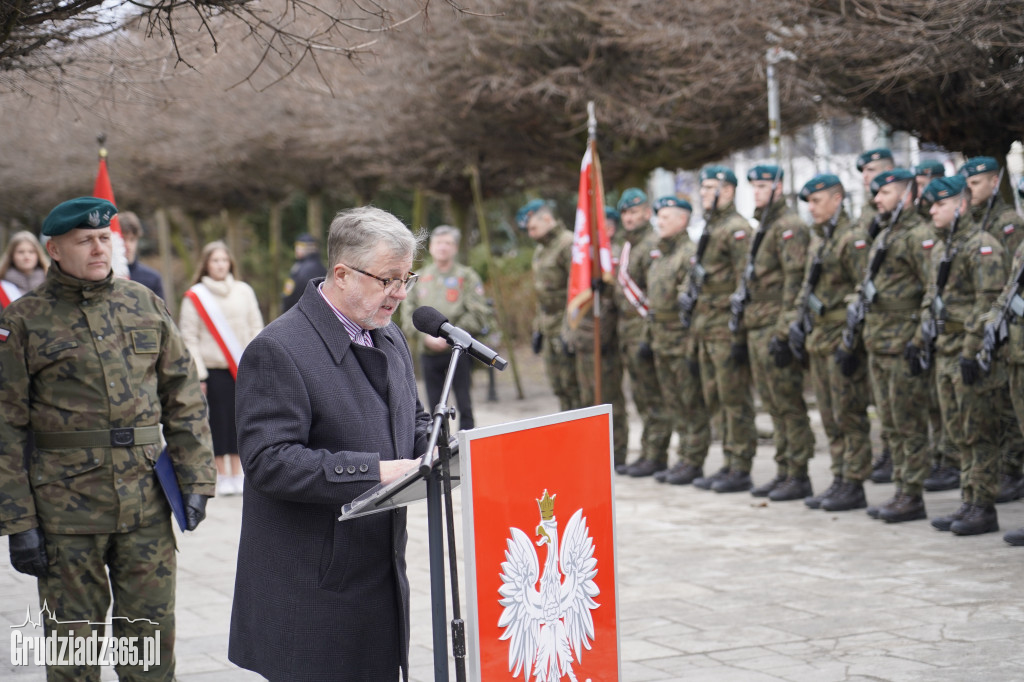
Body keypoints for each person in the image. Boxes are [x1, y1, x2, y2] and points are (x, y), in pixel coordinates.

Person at [0, 197, 215, 681]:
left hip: (146, 504)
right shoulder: (23, 321)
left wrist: (196, 478)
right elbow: (5, 427)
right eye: (85, 241)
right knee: (73, 650)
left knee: (151, 645)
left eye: (105, 239)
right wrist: (17, 521)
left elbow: (182, 394)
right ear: (54, 249)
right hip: (65, 511)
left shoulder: (144, 303)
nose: (100, 249)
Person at [229, 206, 431, 682]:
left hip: (377, 575)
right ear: (341, 274)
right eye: (388, 279)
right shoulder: (277, 349)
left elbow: (413, 418)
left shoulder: (389, 334)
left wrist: (443, 449)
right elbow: (269, 462)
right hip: (312, 588)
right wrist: (376, 471)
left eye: (407, 278)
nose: (400, 294)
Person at [910, 176, 1007, 536]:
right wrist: (919, 342)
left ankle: (983, 504)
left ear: (961, 205)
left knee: (978, 430)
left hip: (968, 353)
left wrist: (971, 351)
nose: (932, 210)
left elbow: (989, 302)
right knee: (957, 432)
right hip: (944, 351)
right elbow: (930, 299)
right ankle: (968, 500)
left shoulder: (981, 245)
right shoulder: (941, 249)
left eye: (940, 203)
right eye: (930, 205)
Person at [841, 168, 933, 523]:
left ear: (906, 196)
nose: (876, 199)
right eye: (876, 193)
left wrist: (919, 339)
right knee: (891, 423)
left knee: (908, 421)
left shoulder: (917, 235)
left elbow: (934, 290)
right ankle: (901, 489)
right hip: (878, 341)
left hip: (902, 341)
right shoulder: (884, 234)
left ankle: (913, 493)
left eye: (885, 193)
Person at [791, 174, 873, 512]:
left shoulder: (852, 238)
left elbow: (864, 288)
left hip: (842, 337)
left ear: (837, 199)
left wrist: (852, 343)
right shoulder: (819, 240)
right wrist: (798, 324)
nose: (811, 208)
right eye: (809, 202)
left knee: (848, 413)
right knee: (828, 414)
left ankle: (854, 482)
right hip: (820, 338)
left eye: (817, 201)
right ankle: (839, 477)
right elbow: (807, 289)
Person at [740, 166, 815, 502]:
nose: (757, 192)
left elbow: (795, 281)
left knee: (788, 402)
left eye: (763, 186)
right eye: (754, 186)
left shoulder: (789, 227)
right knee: (772, 402)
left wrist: (785, 331)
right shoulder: (765, 226)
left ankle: (798, 473)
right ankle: (785, 469)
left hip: (775, 327)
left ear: (779, 187)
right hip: (759, 326)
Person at [685, 165, 757, 493]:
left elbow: (745, 282)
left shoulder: (736, 229)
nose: (703, 194)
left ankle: (740, 465)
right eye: (701, 188)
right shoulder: (711, 227)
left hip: (725, 328)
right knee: (715, 399)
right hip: (706, 328)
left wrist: (739, 334)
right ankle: (728, 462)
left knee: (734, 399)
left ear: (727, 191)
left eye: (710, 187)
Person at [959, 156, 1024, 504]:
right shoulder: (978, 220)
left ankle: (1013, 468)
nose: (970, 191)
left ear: (995, 182)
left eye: (976, 183)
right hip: (1004, 332)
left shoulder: (1009, 222)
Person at [179, 241, 264, 496]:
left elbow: (255, 328)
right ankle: (222, 473)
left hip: (242, 368)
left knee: (242, 421)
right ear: (206, 264)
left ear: (231, 263)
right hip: (212, 372)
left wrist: (255, 362)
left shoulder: (244, 291)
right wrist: (199, 374)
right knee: (217, 423)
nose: (220, 265)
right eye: (215, 260)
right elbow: (189, 337)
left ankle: (238, 472)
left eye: (224, 260)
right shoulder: (196, 296)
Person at [641, 196, 711, 484]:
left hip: (681, 338)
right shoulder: (660, 254)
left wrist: (693, 344)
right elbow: (652, 303)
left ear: (683, 220)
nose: (660, 222)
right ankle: (682, 457)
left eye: (666, 217)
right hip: (660, 337)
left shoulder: (688, 253)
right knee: (672, 401)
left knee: (689, 401)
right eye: (659, 217)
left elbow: (691, 300)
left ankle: (693, 459)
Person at [614, 189, 676, 478]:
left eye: (635, 211)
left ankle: (657, 453)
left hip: (645, 328)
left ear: (647, 212)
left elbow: (655, 293)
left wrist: (650, 335)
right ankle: (649, 450)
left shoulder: (653, 244)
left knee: (653, 395)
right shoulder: (628, 245)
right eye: (625, 212)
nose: (629, 217)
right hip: (627, 330)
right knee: (640, 394)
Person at [405, 224, 492, 430]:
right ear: (431, 247)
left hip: (458, 350)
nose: (443, 247)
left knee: (464, 402)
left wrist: (451, 335)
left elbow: (479, 314)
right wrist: (424, 336)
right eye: (438, 243)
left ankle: (468, 445)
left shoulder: (467, 277)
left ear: (455, 247)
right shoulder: (418, 278)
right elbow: (407, 316)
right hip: (427, 350)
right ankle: (438, 448)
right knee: (434, 407)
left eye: (448, 243)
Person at [856, 147, 897, 484]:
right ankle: (888, 453)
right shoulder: (868, 217)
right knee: (882, 401)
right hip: (875, 323)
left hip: (898, 326)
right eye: (866, 174)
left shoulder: (898, 221)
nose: (867, 178)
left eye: (873, 171)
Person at [517, 199, 581, 411]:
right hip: (549, 326)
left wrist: (570, 329)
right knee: (559, 386)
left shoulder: (568, 244)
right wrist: (538, 329)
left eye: (533, 227)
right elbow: (543, 295)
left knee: (574, 386)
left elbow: (577, 291)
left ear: (547, 218)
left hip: (567, 324)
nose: (530, 233)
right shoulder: (541, 251)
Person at [119, 211, 165, 299]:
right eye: (123, 239)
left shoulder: (152, 279)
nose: (127, 245)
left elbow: (161, 312)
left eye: (132, 239)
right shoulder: (105, 276)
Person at [0, 230, 48, 309]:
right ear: (12, 255)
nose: (26, 256)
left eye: (31, 252)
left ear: (38, 254)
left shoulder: (50, 284)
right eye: (21, 252)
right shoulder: (3, 289)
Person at [282, 232, 327, 312]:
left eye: (299, 247)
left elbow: (288, 296)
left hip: (299, 314)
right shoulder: (324, 268)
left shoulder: (298, 269)